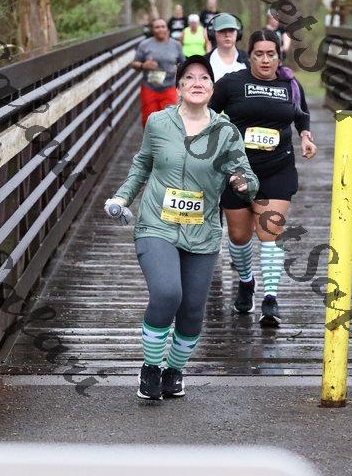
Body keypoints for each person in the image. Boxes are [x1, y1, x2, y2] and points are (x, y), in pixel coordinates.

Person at [104, 55, 259, 400]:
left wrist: (243, 183)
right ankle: (150, 367)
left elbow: (248, 176)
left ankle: (174, 369)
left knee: (191, 309)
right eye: (189, 77)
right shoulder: (158, 123)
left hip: (202, 232)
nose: (197, 83)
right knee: (167, 293)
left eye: (204, 78)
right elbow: (142, 165)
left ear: (212, 88)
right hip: (157, 224)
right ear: (178, 87)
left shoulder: (226, 132)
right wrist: (122, 197)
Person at [209, 29, 317, 327]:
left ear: (279, 56)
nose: (266, 60)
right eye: (259, 54)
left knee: (270, 232)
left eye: (271, 54)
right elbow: (206, 113)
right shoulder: (232, 83)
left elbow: (301, 114)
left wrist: (305, 136)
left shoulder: (289, 84)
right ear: (250, 56)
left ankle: (270, 298)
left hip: (277, 168)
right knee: (239, 236)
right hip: (237, 170)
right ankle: (246, 282)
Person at [132, 18, 185, 127]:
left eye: (163, 26)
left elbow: (183, 63)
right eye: (157, 27)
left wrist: (178, 69)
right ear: (152, 29)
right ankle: (150, 138)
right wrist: (143, 65)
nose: (160, 29)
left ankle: (166, 138)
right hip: (149, 88)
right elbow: (134, 64)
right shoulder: (145, 45)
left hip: (169, 87)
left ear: (167, 28)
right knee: (149, 121)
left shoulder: (176, 45)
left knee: (169, 121)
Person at [205, 13, 248, 81]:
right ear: (213, 34)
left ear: (238, 33)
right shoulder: (205, 62)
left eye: (231, 30)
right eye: (222, 31)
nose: (227, 35)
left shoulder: (248, 60)